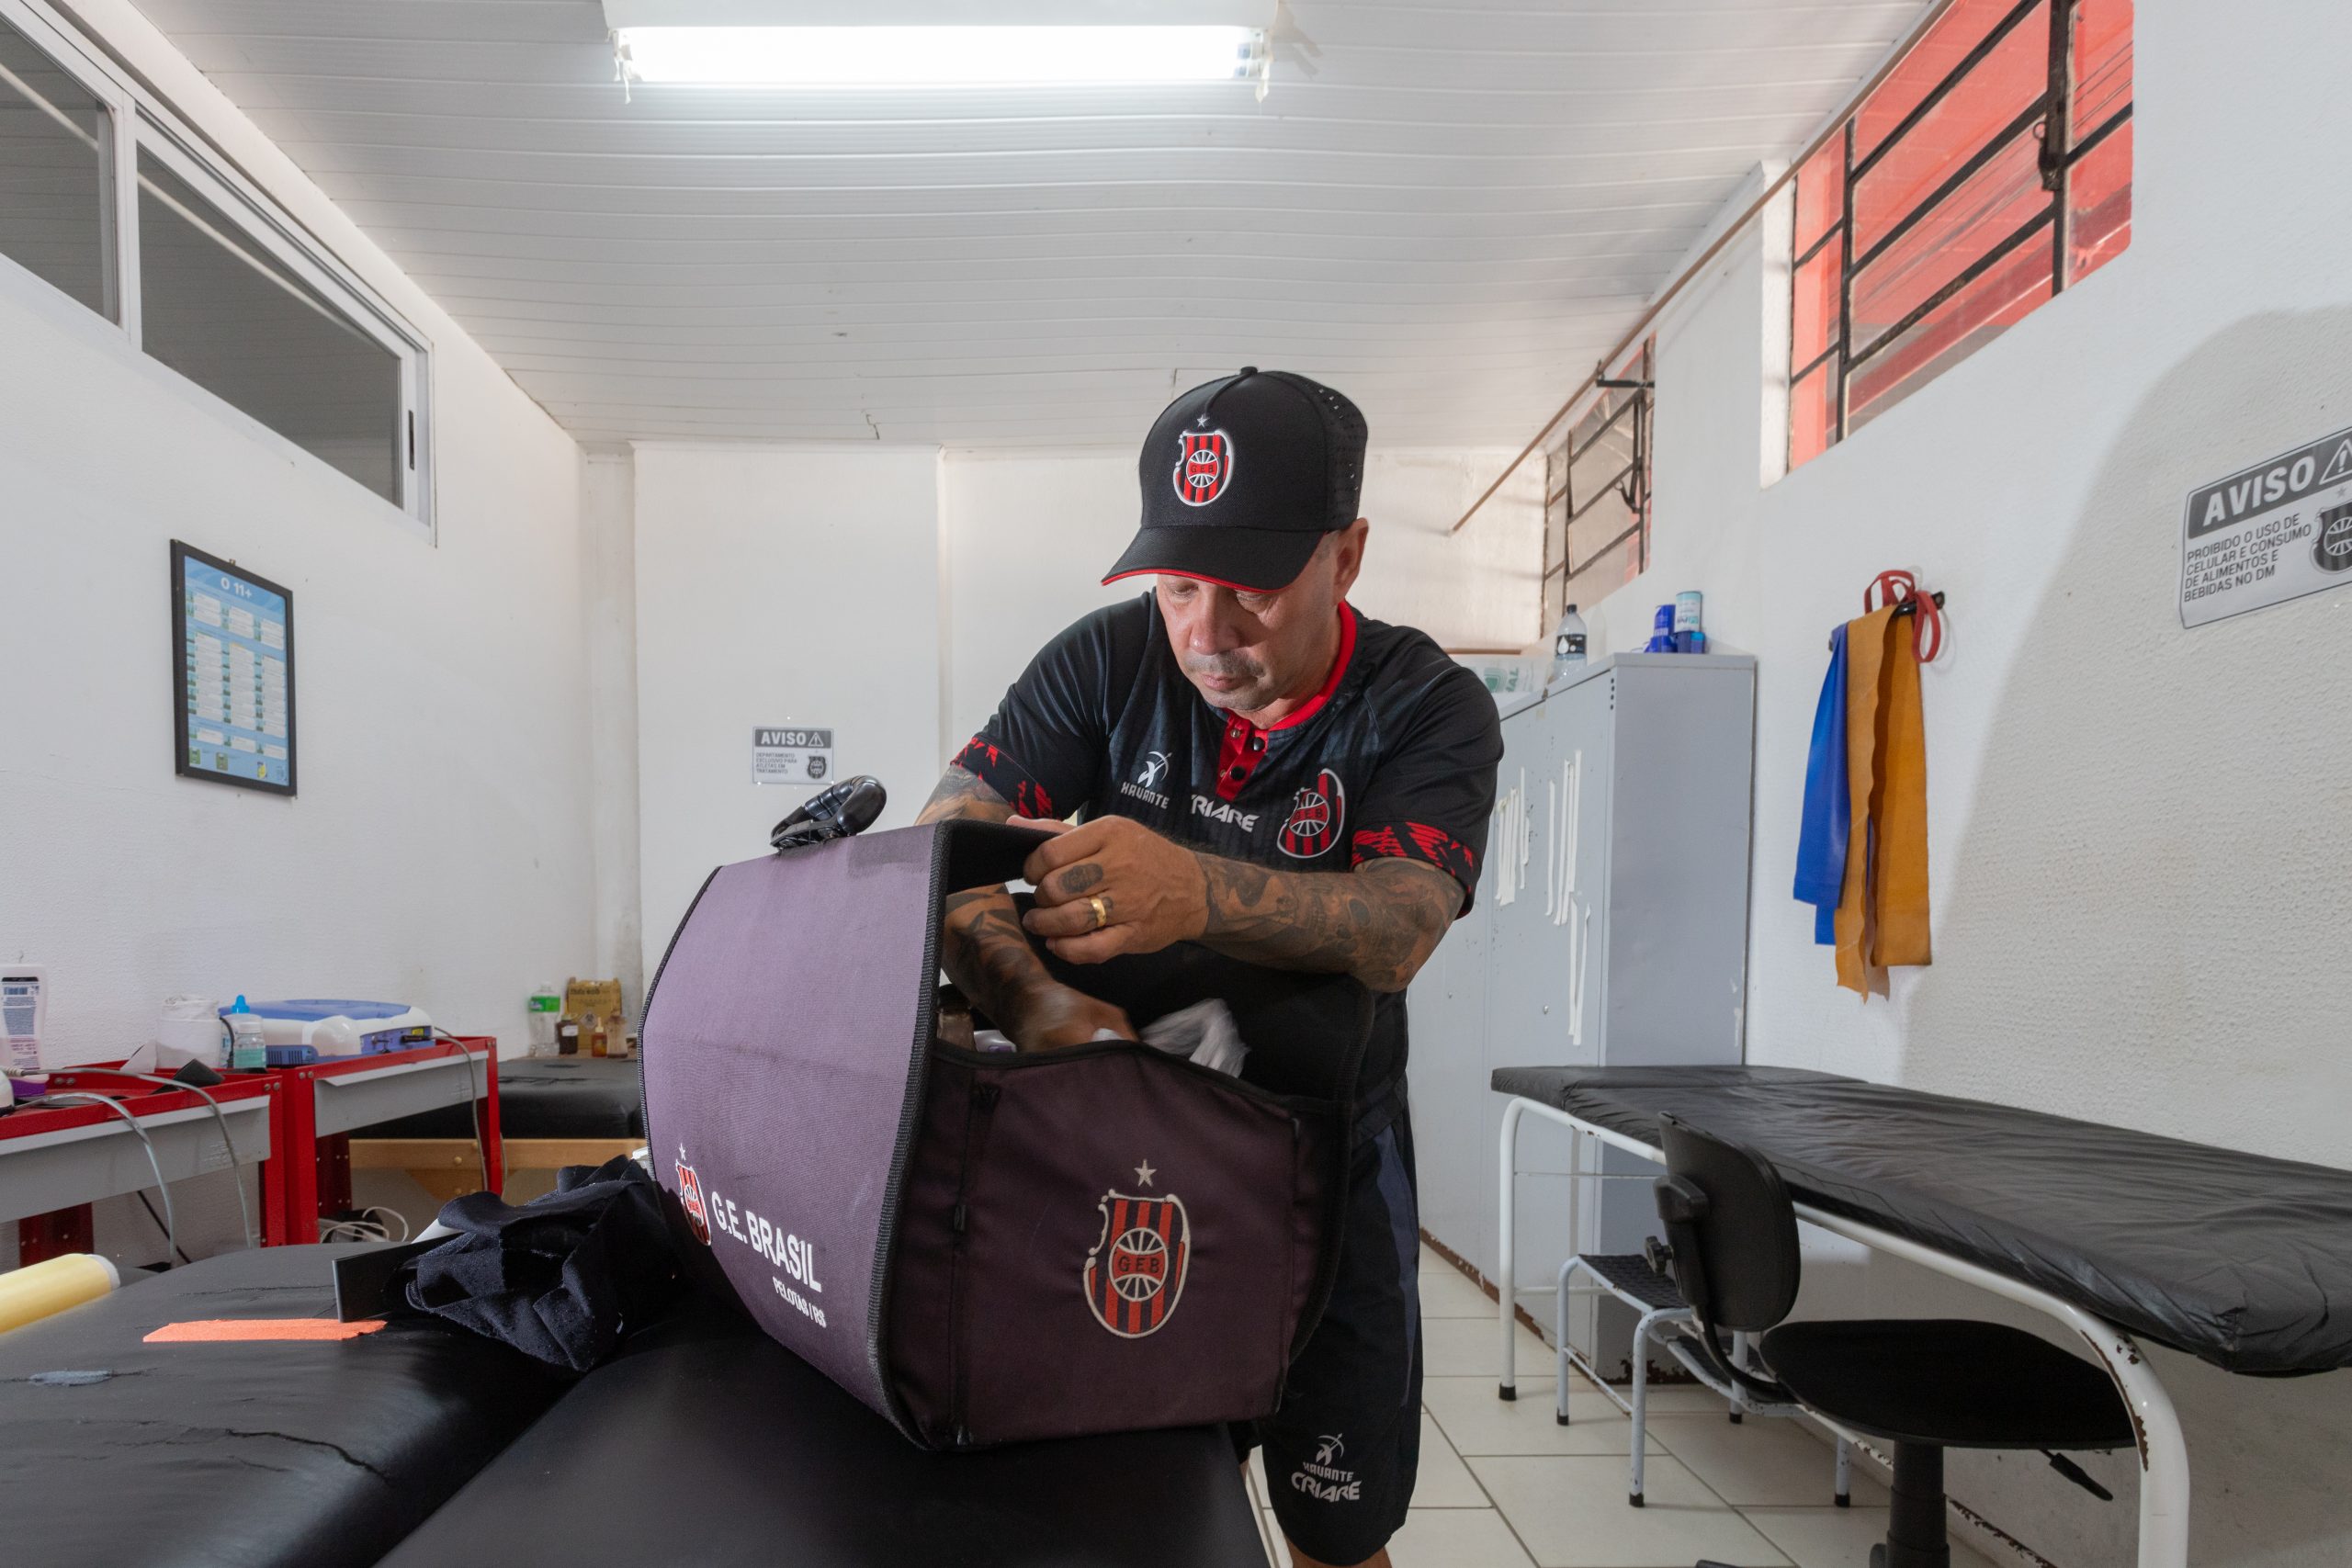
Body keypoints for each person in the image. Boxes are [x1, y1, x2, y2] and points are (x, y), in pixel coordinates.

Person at [917, 367, 1502, 1568]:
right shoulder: (1105, 663)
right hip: (1127, 1157)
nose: (1207, 633)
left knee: (1338, 1530)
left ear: (1347, 555)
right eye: (1179, 586)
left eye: (1253, 589)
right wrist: (1037, 1001)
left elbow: (1400, 926)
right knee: (1149, 1504)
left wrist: (1190, 891)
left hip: (1328, 1156)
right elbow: (940, 850)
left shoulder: (1425, 703)